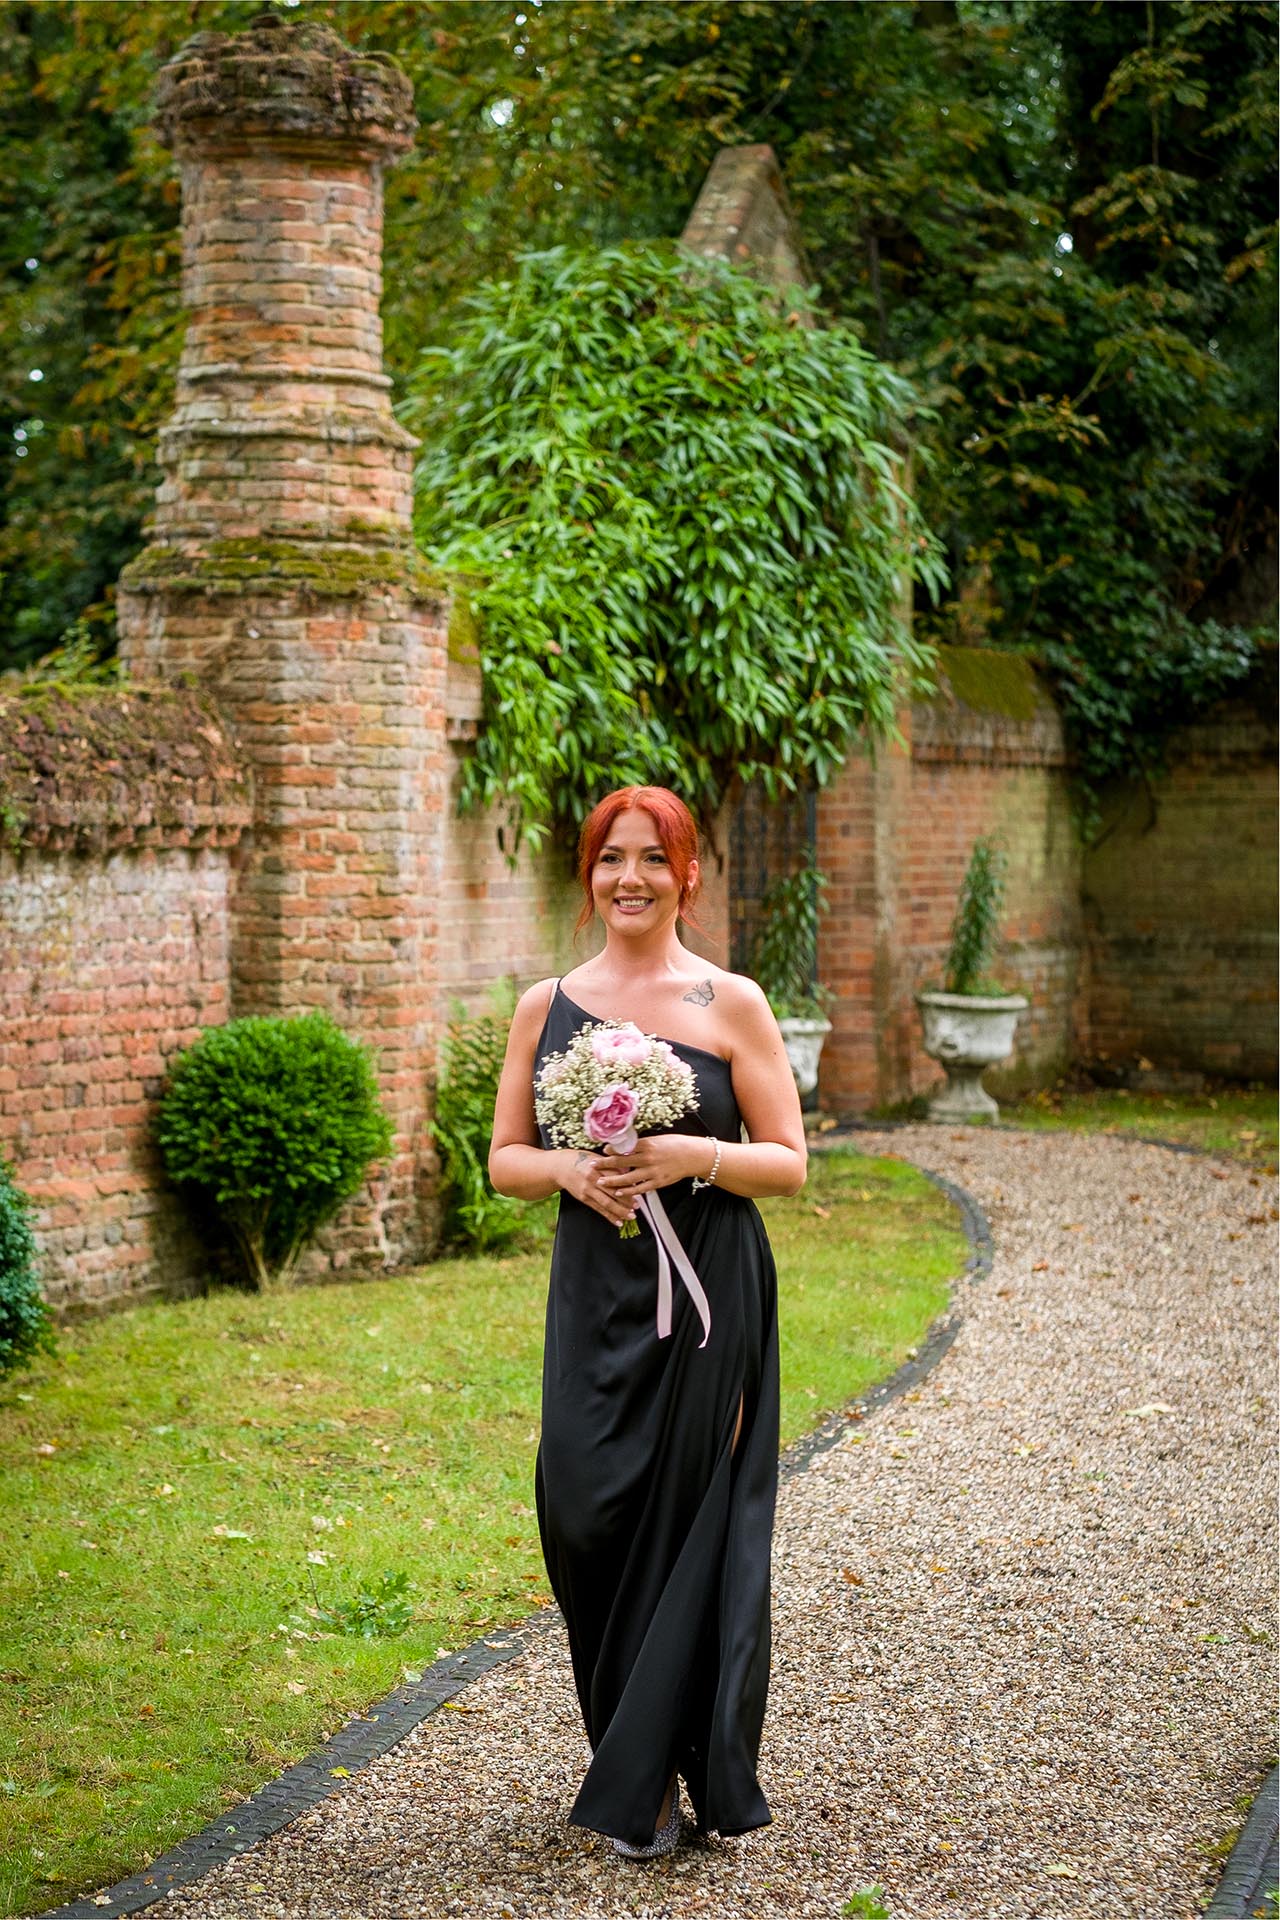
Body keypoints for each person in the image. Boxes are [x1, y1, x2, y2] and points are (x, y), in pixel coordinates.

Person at [489, 784, 807, 1858]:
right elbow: (503, 1164)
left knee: (687, 1527)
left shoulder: (731, 1003)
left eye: (650, 859)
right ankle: (627, 1745)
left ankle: (657, 1783)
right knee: (581, 1510)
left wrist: (692, 1156)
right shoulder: (546, 1004)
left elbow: (789, 1161)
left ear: (686, 876)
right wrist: (573, 1169)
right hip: (596, 1290)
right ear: (587, 875)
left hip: (710, 1296)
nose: (628, 877)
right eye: (608, 857)